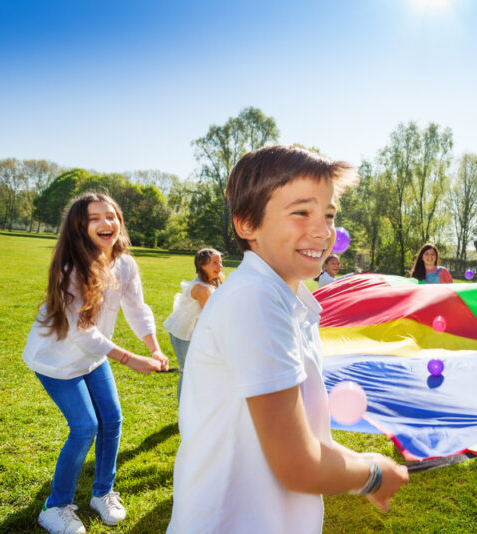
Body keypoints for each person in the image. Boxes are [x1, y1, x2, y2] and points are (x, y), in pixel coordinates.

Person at [168, 145, 408, 533]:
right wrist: (371, 475)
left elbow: (307, 437)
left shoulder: (285, 298)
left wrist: (358, 460)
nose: (322, 230)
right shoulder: (254, 299)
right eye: (301, 212)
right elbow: (298, 464)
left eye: (329, 214)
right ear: (247, 224)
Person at [22, 192, 169, 534]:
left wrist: (155, 348)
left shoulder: (125, 264)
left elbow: (137, 308)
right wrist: (130, 358)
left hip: (92, 359)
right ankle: (55, 507)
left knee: (112, 420)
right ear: (79, 226)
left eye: (112, 216)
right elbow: (81, 331)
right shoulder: (70, 268)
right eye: (95, 218)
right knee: (85, 427)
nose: (107, 223)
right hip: (56, 362)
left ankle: (102, 493)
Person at [163, 248, 224, 398]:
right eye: (214, 263)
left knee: (199, 371)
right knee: (187, 371)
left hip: (195, 331)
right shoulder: (201, 288)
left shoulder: (213, 282)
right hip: (183, 333)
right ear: (202, 265)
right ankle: (183, 412)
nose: (220, 266)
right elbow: (210, 316)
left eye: (220, 262)